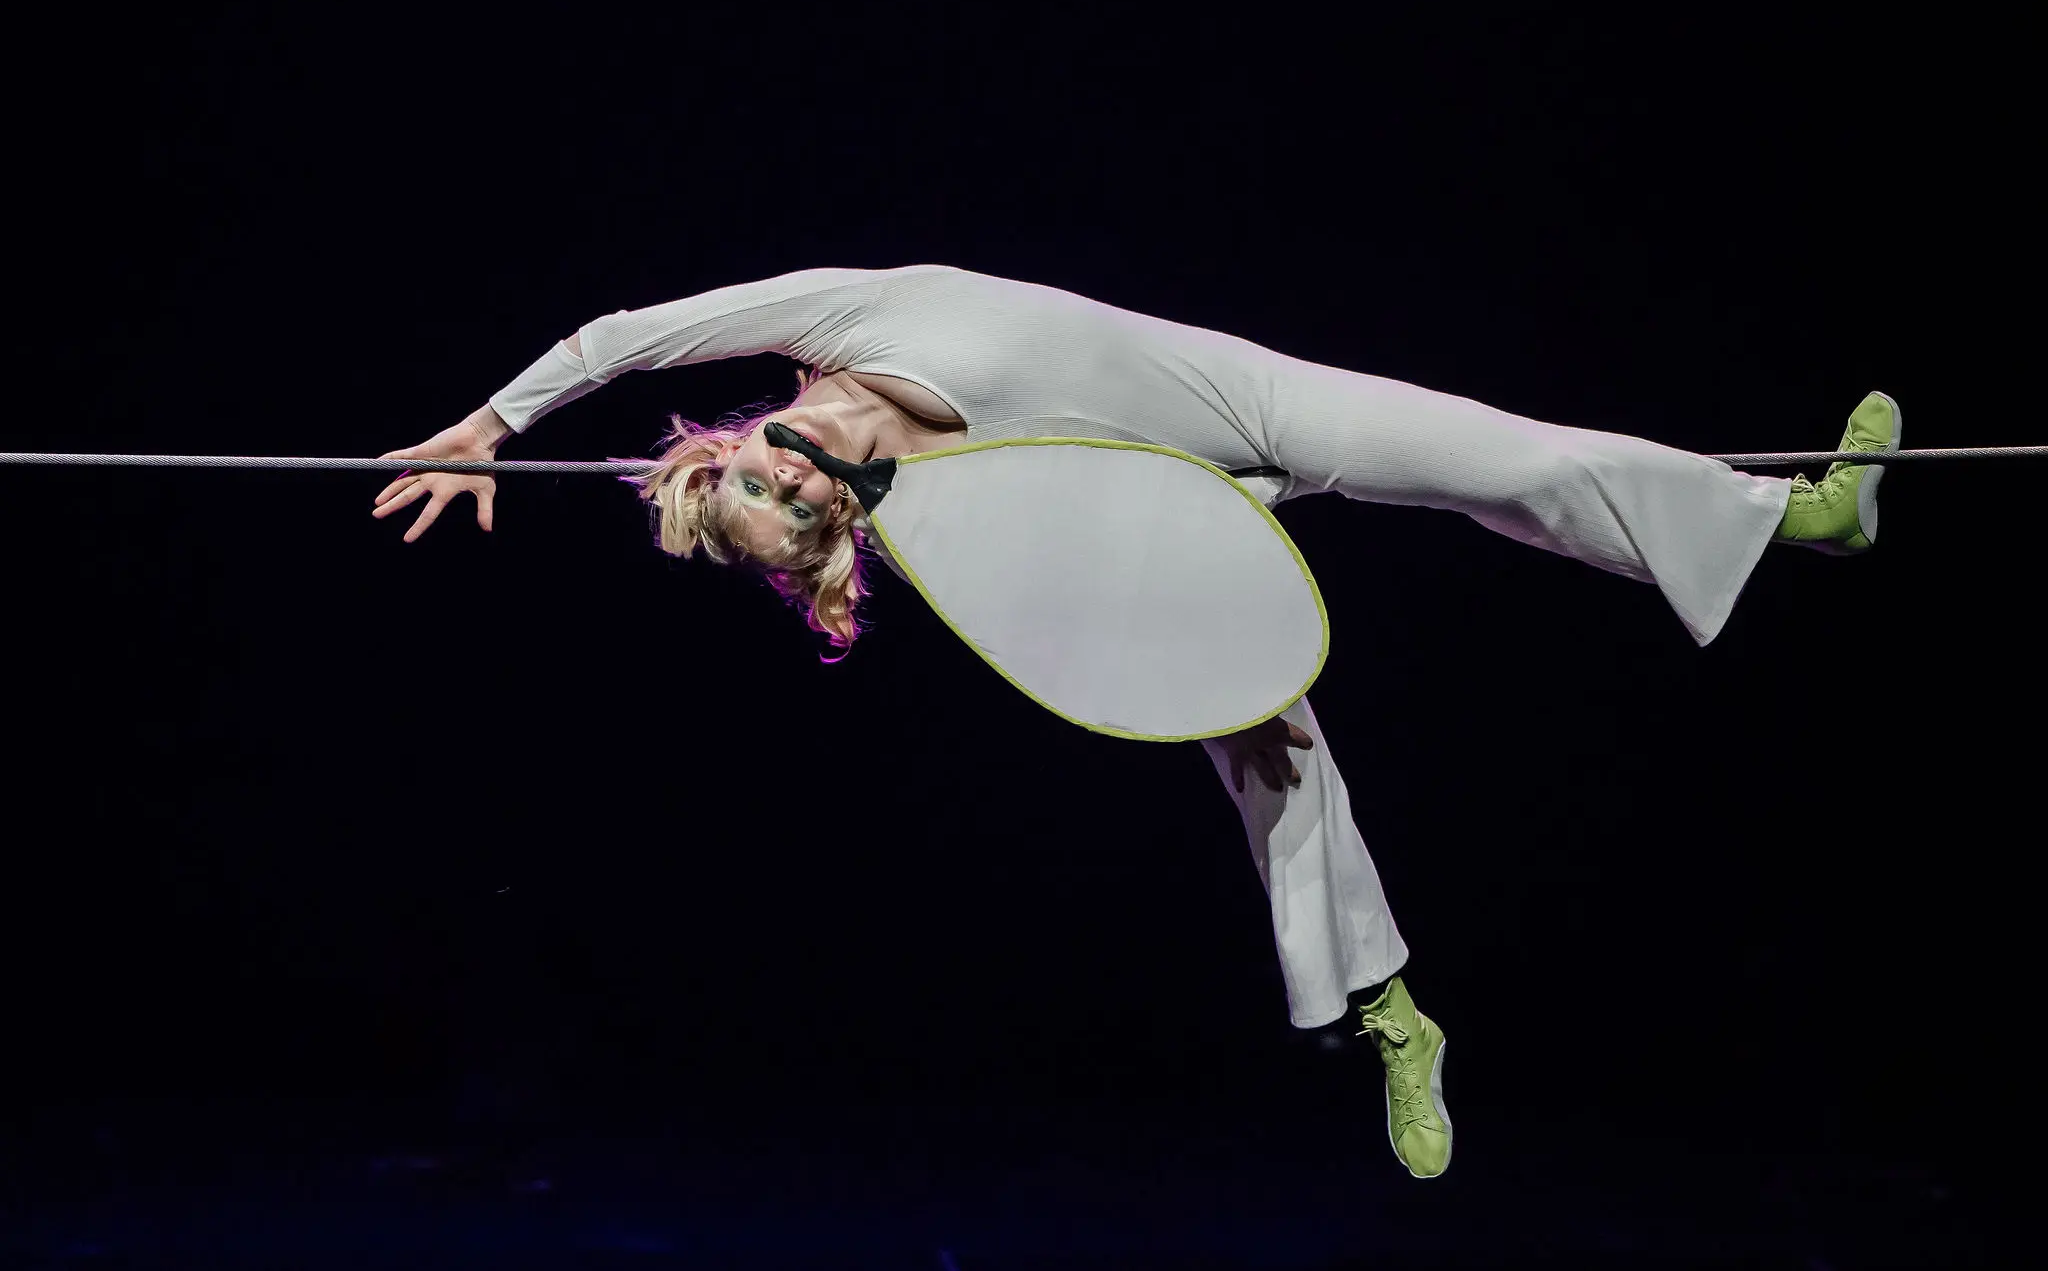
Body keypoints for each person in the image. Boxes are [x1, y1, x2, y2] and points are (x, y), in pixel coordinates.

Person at [372, 264, 1899, 1179]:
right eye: (793, 506)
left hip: (1240, 401)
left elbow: (636, 331)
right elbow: (1080, 605)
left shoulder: (844, 315)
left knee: (1516, 464)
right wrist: (1192, 647)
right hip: (1153, 518)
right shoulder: (932, 523)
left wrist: (495, 422)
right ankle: (1390, 1014)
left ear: (746, 440)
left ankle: (1798, 517)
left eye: (761, 474)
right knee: (1264, 744)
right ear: (831, 521)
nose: (788, 469)